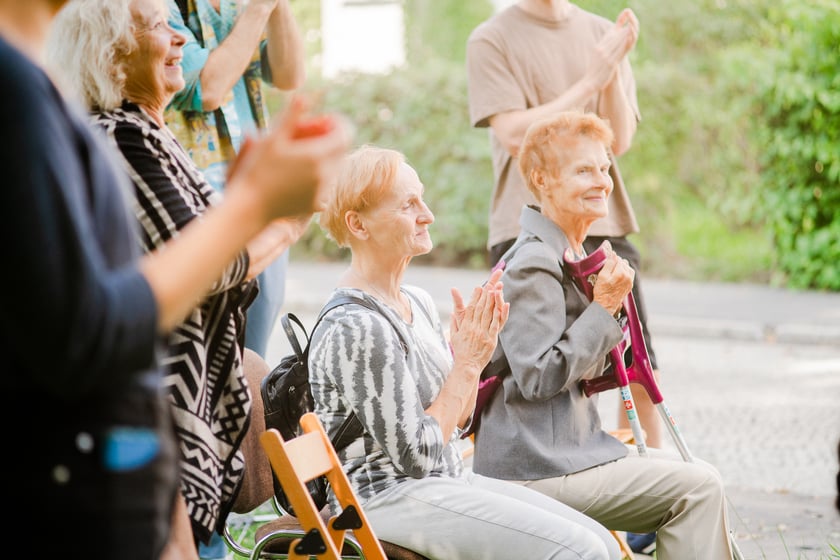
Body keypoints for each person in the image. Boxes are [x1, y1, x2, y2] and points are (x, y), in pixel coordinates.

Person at [2, 0, 348, 557]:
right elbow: (90, 328)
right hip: (115, 466)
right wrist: (267, 211)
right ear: (113, 55)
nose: (180, 40)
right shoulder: (82, 120)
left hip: (160, 449)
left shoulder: (75, 110)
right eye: (161, 28)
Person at [307, 144, 622, 560]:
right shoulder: (357, 325)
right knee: (582, 550)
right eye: (408, 205)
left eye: (422, 198)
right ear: (358, 224)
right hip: (386, 499)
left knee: (598, 539)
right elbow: (416, 456)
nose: (427, 214)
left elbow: (459, 422)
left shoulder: (414, 300)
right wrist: (467, 364)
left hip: (444, 480)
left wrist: (473, 358)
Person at [471, 110, 736, 560]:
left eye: (604, 167)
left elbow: (581, 364)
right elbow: (538, 377)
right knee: (699, 488)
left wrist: (605, 315)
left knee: (700, 478)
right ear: (542, 179)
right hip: (536, 467)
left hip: (567, 454)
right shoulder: (534, 262)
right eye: (583, 170)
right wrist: (604, 308)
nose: (603, 180)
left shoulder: (568, 251)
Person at [465, 4, 663, 519]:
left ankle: (649, 504)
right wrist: (591, 77)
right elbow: (514, 136)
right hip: (528, 225)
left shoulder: (601, 31)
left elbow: (617, 142)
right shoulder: (491, 38)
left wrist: (614, 67)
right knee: (537, 376)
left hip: (605, 227)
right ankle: (538, 494)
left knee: (633, 366)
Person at [165, 0, 305, 365]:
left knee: (254, 342)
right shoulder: (159, 7)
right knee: (209, 344)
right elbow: (206, 89)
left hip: (257, 187)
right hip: (193, 191)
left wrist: (278, 7)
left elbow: (289, 75)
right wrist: (259, 9)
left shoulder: (234, 4)